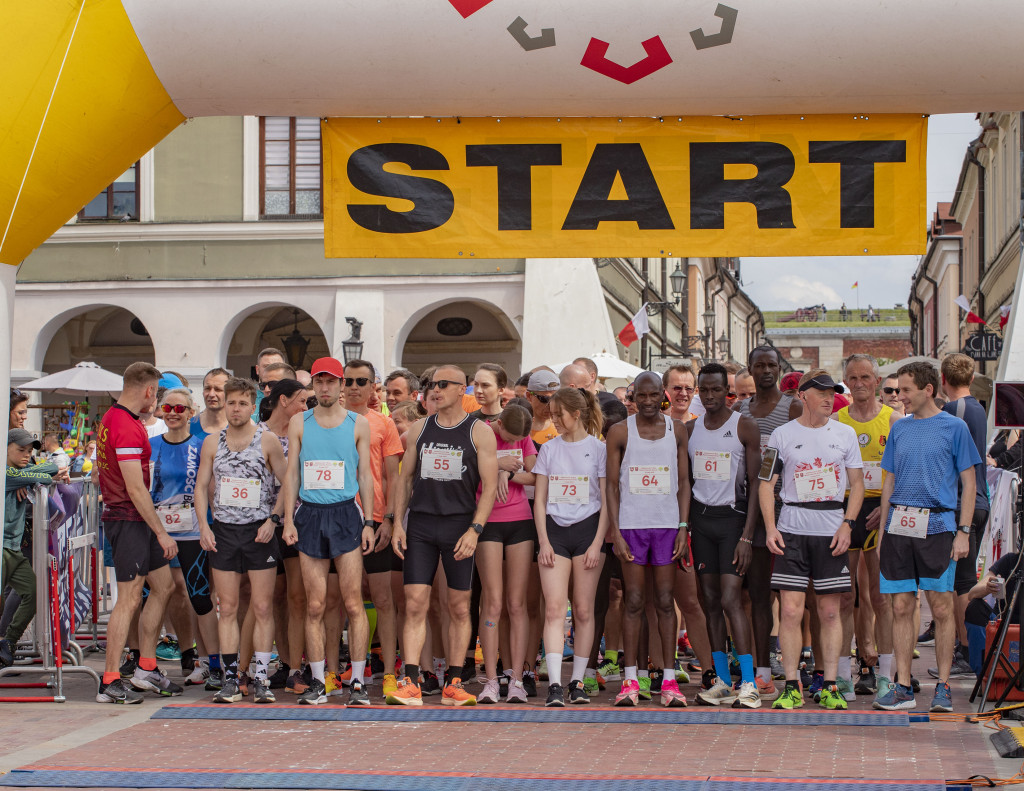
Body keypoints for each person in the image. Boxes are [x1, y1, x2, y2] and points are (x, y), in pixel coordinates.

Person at [388, 364, 498, 706]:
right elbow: (405, 480)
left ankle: (454, 682)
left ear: (461, 389)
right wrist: (397, 524)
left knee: (459, 607)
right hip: (420, 526)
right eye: (430, 385)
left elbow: (491, 487)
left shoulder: (479, 431)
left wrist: (475, 530)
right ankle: (411, 682)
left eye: (443, 384)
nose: (434, 390)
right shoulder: (419, 429)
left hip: (459, 527)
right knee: (415, 603)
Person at [873, 362, 979, 713]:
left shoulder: (955, 427)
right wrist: (883, 531)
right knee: (901, 606)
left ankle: (944, 686)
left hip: (938, 526)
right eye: (897, 390)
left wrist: (963, 532)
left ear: (928, 390)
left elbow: (969, 483)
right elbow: (888, 480)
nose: (898, 396)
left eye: (905, 390)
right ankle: (903, 686)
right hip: (899, 527)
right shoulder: (900, 428)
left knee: (942, 606)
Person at [762, 369, 864, 711]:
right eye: (820, 392)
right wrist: (770, 528)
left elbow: (858, 485)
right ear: (802, 395)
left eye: (831, 393)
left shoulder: (846, 434)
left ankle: (831, 684)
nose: (827, 398)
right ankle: (791, 686)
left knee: (830, 612)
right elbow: (765, 484)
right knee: (790, 610)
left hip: (831, 530)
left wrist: (848, 524)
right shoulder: (781, 434)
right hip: (792, 527)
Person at [281, 357, 376, 706]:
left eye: (331, 382)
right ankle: (320, 681)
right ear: (313, 386)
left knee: (353, 602)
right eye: (319, 382)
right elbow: (291, 474)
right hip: (310, 514)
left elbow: (366, 475)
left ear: (341, 385)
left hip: (346, 514)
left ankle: (357, 682)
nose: (325, 388)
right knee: (316, 604)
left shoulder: (358, 423)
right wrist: (289, 519)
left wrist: (369, 522)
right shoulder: (299, 422)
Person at [195, 378, 287, 704]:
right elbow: (201, 485)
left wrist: (274, 520)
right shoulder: (211, 442)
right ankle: (231, 678)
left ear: (252, 406)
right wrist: (204, 526)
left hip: (258, 532)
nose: (236, 409)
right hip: (224, 532)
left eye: (242, 403)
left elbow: (287, 482)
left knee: (262, 606)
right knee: (228, 607)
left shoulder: (268, 440)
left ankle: (260, 678)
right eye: (231, 403)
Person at [96, 362, 182, 704]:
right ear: (148, 391)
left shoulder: (113, 419)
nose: (156, 401)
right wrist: (161, 532)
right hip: (129, 520)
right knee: (129, 598)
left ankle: (146, 668)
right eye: (157, 394)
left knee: (164, 586)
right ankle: (110, 680)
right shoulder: (126, 426)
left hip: (136, 519)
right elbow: (135, 487)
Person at [606, 372, 690, 707]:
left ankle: (669, 681)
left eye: (654, 395)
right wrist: (615, 530)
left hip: (667, 525)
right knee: (634, 600)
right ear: (633, 397)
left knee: (665, 601)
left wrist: (683, 526)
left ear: (663, 395)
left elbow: (684, 481)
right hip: (631, 526)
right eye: (641, 396)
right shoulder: (619, 431)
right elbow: (611, 486)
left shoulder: (677, 430)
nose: (648, 401)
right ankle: (630, 679)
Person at [686, 363, 765, 707]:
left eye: (717, 389)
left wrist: (748, 537)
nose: (711, 396)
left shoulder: (744, 426)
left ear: (727, 390)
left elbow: (756, 483)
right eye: (704, 390)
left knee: (732, 599)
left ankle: (748, 682)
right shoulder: (689, 431)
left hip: (733, 521)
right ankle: (721, 680)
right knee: (710, 601)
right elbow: (686, 483)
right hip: (701, 521)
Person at [533, 387, 607, 706]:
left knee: (583, 609)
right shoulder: (549, 449)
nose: (555, 421)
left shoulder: (598, 449)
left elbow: (606, 501)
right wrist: (544, 541)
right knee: (553, 608)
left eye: (559, 415)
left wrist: (597, 543)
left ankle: (577, 681)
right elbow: (539, 501)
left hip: (589, 530)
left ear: (576, 414)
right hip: (555, 531)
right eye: (552, 416)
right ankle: (554, 684)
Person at [736, 345, 803, 694]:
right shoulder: (739, 409)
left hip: (784, 513)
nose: (765, 371)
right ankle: (757, 666)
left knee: (788, 597)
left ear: (780, 368)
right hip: (749, 513)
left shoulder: (791, 407)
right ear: (749, 368)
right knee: (754, 594)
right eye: (759, 365)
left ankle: (791, 662)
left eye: (772, 365)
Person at [834, 354, 900, 698]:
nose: (858, 384)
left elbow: (902, 471)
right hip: (846, 510)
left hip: (880, 509)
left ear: (877, 381)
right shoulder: (837, 420)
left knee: (881, 598)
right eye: (852, 378)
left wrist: (887, 510)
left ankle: (887, 675)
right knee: (845, 597)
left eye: (864, 377)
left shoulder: (895, 420)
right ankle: (843, 675)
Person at [149, 388, 221, 687]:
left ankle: (214, 665)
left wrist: (213, 525)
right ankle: (145, 663)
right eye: (167, 408)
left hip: (194, 531)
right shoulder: (150, 445)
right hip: (160, 532)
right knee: (153, 596)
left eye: (180, 409)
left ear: (191, 413)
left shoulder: (203, 444)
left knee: (201, 599)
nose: (173, 413)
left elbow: (212, 489)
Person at [343, 360, 403, 698]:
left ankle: (390, 672)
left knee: (382, 598)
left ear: (372, 387)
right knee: (341, 600)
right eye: (348, 381)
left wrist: (390, 520)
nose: (353, 387)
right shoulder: (328, 422)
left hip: (376, 517)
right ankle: (350, 669)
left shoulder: (383, 423)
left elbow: (393, 476)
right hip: (337, 518)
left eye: (361, 381)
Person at [476, 403, 537, 704]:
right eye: (509, 437)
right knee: (493, 603)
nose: (513, 443)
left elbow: (536, 477)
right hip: (488, 522)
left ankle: (516, 680)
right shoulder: (482, 433)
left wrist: (510, 475)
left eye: (518, 440)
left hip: (520, 522)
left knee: (516, 603)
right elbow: (471, 476)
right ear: (498, 424)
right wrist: (498, 467)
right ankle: (490, 679)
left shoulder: (524, 438)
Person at [255, 378, 309, 692]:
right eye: (302, 401)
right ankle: (285, 662)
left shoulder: (306, 432)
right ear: (284, 400)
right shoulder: (257, 432)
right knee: (271, 597)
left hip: (298, 521)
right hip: (260, 523)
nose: (306, 407)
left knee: (297, 596)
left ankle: (297, 668)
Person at [939, 353, 991, 679]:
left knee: (961, 583)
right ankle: (972, 650)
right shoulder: (978, 409)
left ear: (943, 380)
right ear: (971, 379)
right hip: (979, 502)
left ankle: (967, 651)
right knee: (966, 579)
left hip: (962, 505)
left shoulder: (953, 411)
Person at [0, 431, 57, 667]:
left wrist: (29, 477)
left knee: (34, 593)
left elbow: (51, 470)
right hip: (4, 548)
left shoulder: (18, 473)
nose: (26, 455)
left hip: (14, 549)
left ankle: (8, 642)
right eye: (21, 450)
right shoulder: (6, 472)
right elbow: (48, 473)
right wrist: (30, 477)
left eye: (29, 452)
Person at [191, 368, 230, 440]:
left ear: (229, 393)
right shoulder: (189, 427)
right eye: (207, 388)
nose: (211, 394)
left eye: (218, 389)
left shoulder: (240, 427)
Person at [526, 370, 560, 446]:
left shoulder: (565, 426)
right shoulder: (520, 427)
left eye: (555, 398)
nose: (551, 404)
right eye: (545, 399)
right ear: (529, 396)